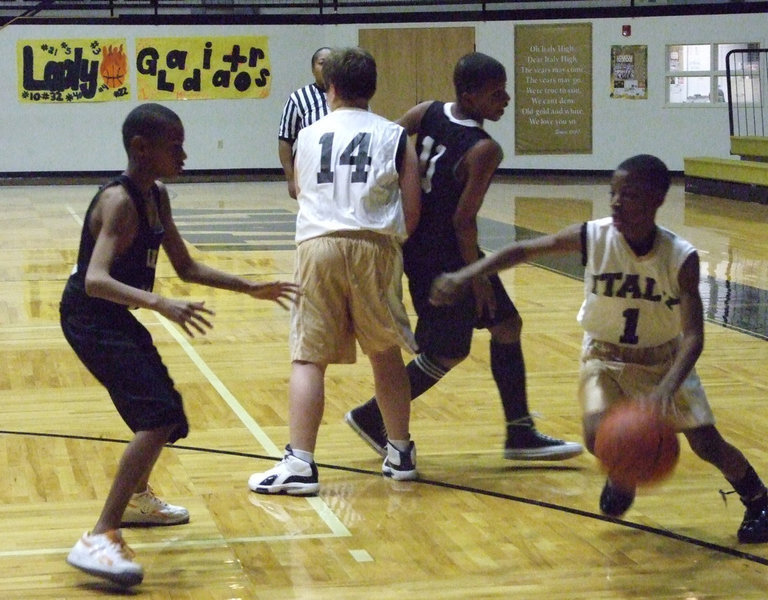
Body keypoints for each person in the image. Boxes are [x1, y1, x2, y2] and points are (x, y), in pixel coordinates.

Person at [429, 153, 768, 542]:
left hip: (663, 360)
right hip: (602, 354)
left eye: (630, 195)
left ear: (658, 199)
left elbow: (693, 338)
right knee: (598, 437)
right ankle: (624, 475)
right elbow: (525, 250)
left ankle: (758, 497)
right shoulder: (594, 236)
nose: (617, 203)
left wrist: (664, 391)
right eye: (613, 194)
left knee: (707, 444)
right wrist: (465, 273)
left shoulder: (680, 257)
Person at [60, 103, 298, 587]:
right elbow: (94, 280)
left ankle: (137, 498)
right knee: (156, 416)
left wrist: (248, 287)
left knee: (168, 413)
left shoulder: (157, 196)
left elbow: (186, 266)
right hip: (90, 317)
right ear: (140, 148)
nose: (185, 154)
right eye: (176, 146)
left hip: (111, 315)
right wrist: (159, 303)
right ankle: (101, 533)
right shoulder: (120, 203)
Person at [345, 52, 583, 462]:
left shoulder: (426, 112)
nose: (505, 99)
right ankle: (370, 416)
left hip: (418, 246)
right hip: (447, 257)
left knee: (507, 324)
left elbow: (384, 144)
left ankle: (520, 432)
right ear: (470, 95)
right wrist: (476, 279)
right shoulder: (484, 149)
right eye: (497, 93)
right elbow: (463, 221)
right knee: (446, 351)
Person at [248, 47, 422, 495]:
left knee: (309, 357)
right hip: (375, 246)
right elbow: (413, 210)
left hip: (318, 245)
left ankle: (300, 462)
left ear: (331, 87)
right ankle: (400, 451)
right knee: (385, 353)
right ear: (373, 88)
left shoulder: (307, 135)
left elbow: (302, 190)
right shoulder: (396, 135)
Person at [277, 46, 332, 199]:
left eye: (332, 63)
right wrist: (290, 179)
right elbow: (285, 141)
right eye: (322, 63)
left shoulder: (351, 96)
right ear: (313, 69)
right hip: (309, 174)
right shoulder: (298, 98)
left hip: (343, 173)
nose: (327, 67)